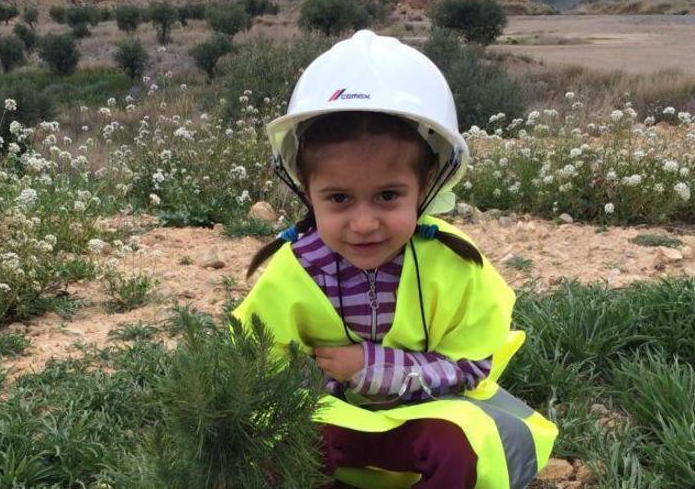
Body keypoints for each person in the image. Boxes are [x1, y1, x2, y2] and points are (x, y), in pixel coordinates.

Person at [232, 30, 558, 489]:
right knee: (279, 441)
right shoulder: (295, 268)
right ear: (307, 193)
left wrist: (368, 367)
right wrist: (324, 388)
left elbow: (471, 367)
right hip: (333, 425)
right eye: (339, 198)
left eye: (388, 195)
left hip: (427, 419)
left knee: (464, 445)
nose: (364, 223)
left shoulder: (456, 264)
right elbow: (261, 366)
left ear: (426, 186)